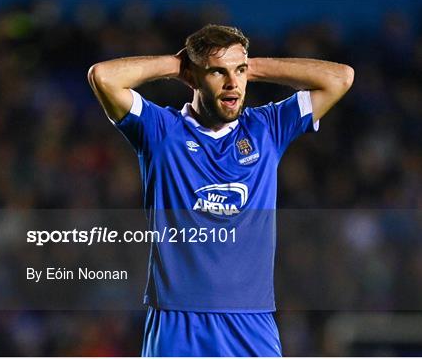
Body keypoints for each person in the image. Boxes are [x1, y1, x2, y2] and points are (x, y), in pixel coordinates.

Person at [88, 24, 354, 357]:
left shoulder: (266, 128)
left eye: (239, 72)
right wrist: (177, 65)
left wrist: (251, 66)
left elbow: (341, 78)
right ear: (194, 78)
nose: (232, 83)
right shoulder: (162, 132)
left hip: (250, 322)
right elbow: (103, 76)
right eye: (217, 72)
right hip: (176, 321)